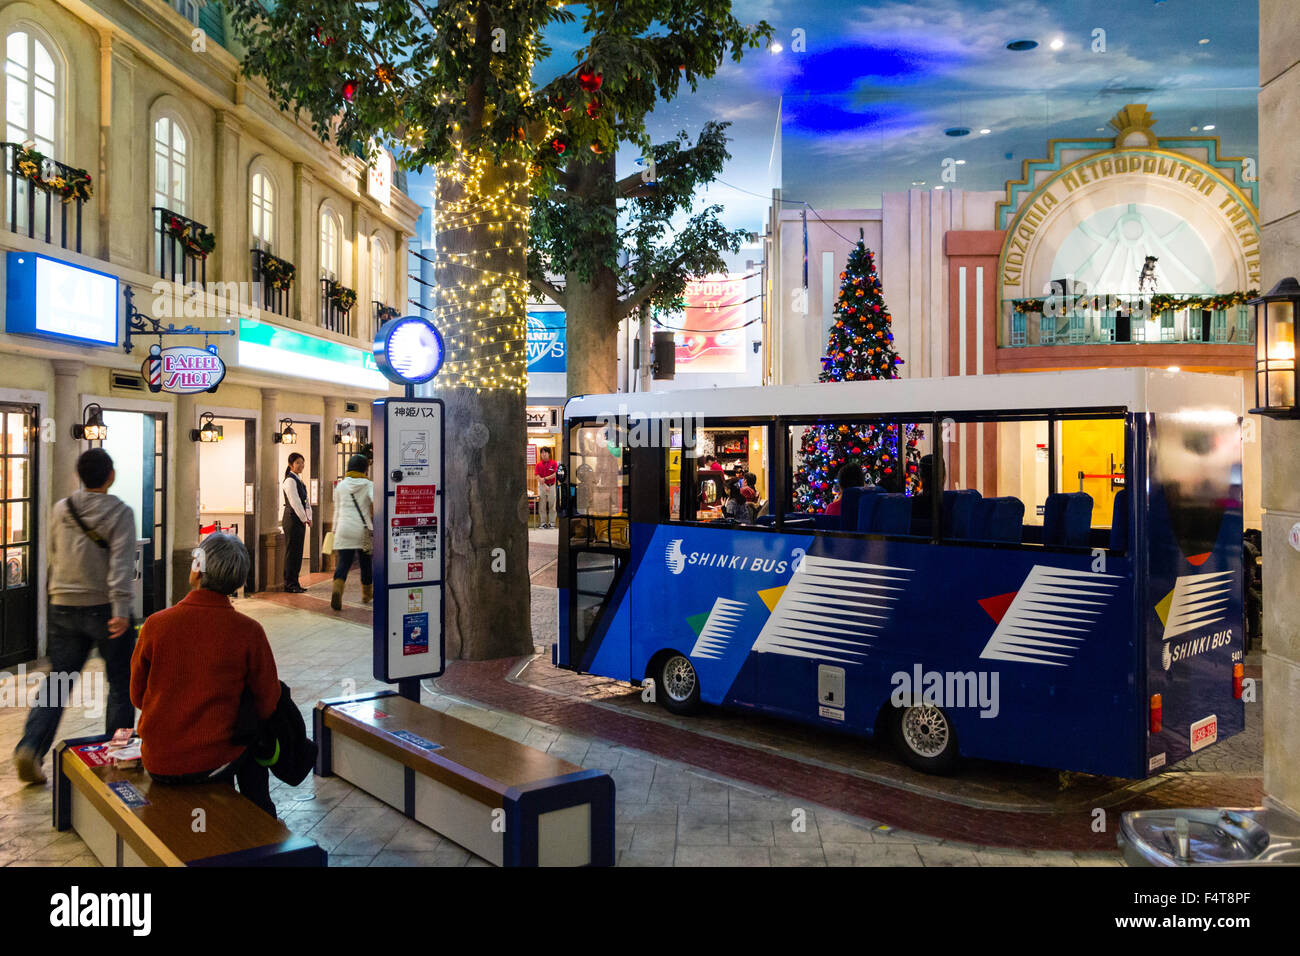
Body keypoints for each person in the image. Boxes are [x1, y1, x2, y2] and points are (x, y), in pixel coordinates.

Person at [131, 533, 280, 817]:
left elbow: (137, 696)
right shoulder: (248, 631)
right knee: (256, 739)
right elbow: (268, 702)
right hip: (215, 762)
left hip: (158, 760)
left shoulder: (156, 625)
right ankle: (261, 819)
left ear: (197, 568)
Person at [13, 449, 137, 785]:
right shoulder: (120, 512)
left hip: (62, 604)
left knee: (57, 681)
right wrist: (121, 610)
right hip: (104, 608)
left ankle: (31, 747)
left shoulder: (60, 508)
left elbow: (54, 551)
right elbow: (121, 565)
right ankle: (118, 752)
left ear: (80, 475)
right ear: (110, 475)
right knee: (122, 685)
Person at [330, 453, 374, 611]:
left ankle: (337, 589)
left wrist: (334, 529)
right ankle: (367, 594)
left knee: (344, 562)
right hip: (362, 529)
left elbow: (336, 511)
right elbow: (377, 501)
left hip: (343, 528)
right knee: (365, 563)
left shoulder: (341, 486)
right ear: (364, 468)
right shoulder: (368, 484)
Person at [281, 452, 310, 593]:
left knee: (297, 552)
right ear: (291, 465)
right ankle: (289, 584)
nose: (301, 465)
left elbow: (305, 501)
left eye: (302, 462)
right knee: (292, 552)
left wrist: (308, 517)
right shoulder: (290, 481)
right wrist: (304, 518)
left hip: (299, 519)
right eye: (298, 462)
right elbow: (295, 502)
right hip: (292, 519)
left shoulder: (299, 479)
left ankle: (295, 582)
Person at [535, 447, 558, 529]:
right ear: (540, 454)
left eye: (545, 452)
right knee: (542, 505)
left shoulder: (554, 463)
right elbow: (537, 476)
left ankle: (552, 522)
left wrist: (545, 479)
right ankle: (543, 523)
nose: (544, 454)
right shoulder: (538, 464)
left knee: (552, 505)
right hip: (542, 486)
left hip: (552, 486)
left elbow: (555, 474)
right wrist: (544, 485)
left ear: (549, 454)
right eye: (542, 453)